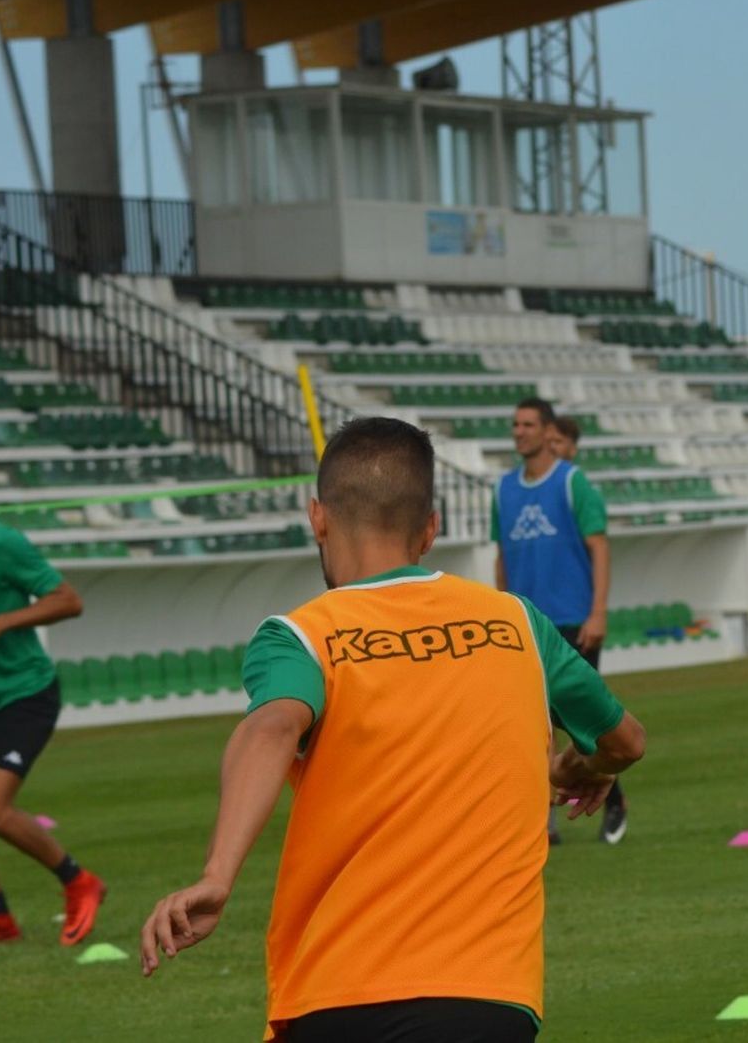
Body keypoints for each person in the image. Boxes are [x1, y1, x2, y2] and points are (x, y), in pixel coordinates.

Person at [140, 418, 645, 1043]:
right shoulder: (516, 620)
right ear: (430, 530)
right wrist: (582, 768)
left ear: (317, 517)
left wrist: (217, 875)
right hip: (488, 997)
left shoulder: (300, 635)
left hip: (338, 993)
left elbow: (271, 728)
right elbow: (625, 741)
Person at [495, 399, 628, 845]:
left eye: (528, 424)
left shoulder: (573, 484)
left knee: (587, 722)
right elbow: (502, 556)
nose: (519, 432)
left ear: (547, 430)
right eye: (514, 424)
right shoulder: (502, 489)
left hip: (573, 619)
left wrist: (598, 611)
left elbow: (600, 548)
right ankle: (543, 823)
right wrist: (501, 610)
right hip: (525, 625)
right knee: (532, 723)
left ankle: (614, 801)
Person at [0, 523, 106, 945]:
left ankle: (79, 881)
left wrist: (1, 622)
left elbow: (68, 600)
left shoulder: (1, 542)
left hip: (23, 693)